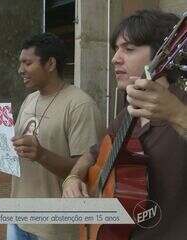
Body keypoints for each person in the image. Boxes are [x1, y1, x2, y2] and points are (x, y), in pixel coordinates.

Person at [0, 33, 104, 240]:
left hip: (54, 227)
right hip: (18, 216)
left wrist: (41, 154)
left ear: (50, 63)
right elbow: (13, 149)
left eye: (27, 63)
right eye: (20, 63)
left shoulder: (80, 105)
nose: (20, 70)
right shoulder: (29, 100)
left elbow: (88, 171)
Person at [62, 10, 186, 240]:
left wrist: (176, 114)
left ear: (163, 55)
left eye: (128, 49)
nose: (115, 58)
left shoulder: (182, 106)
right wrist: (73, 177)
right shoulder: (129, 110)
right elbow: (93, 154)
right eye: (116, 49)